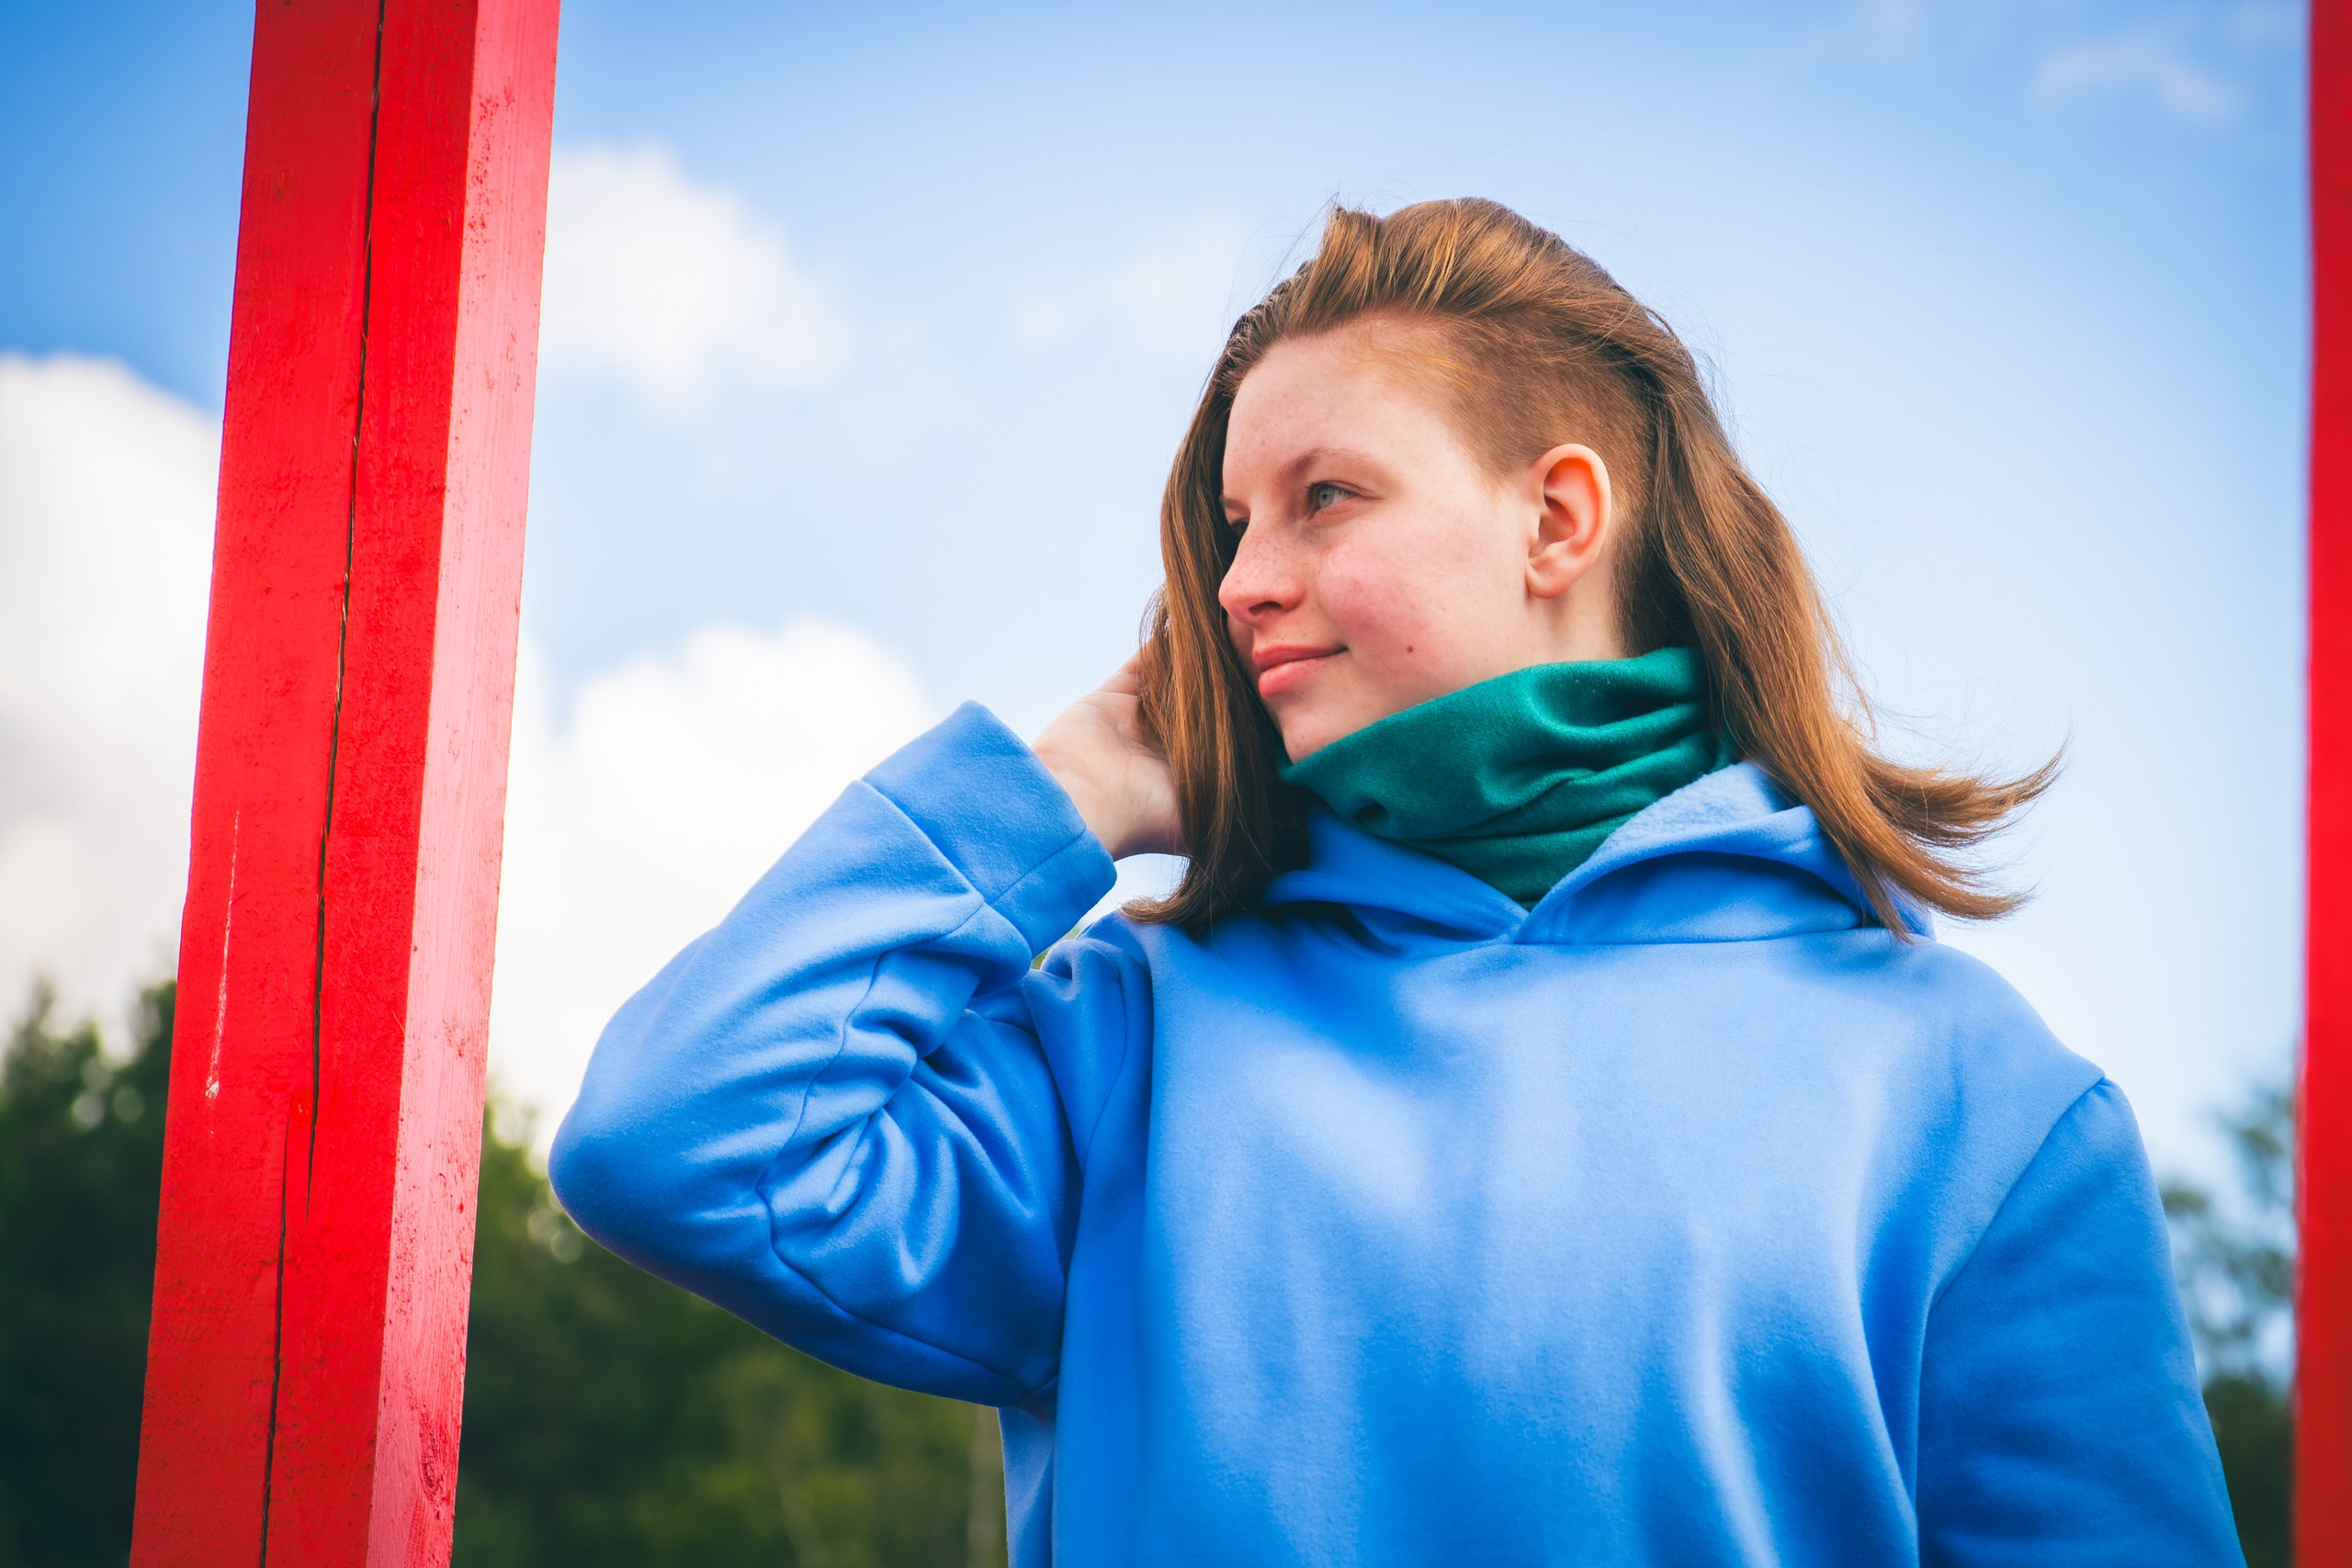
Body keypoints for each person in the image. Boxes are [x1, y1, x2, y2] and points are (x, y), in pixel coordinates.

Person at [550, 199, 2244, 1566]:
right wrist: (1057, 793)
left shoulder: (1974, 1096)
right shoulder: (1127, 1041)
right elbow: (673, 1140)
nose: (1238, 583)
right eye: (1229, 526)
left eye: (1321, 501)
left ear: (1557, 518)